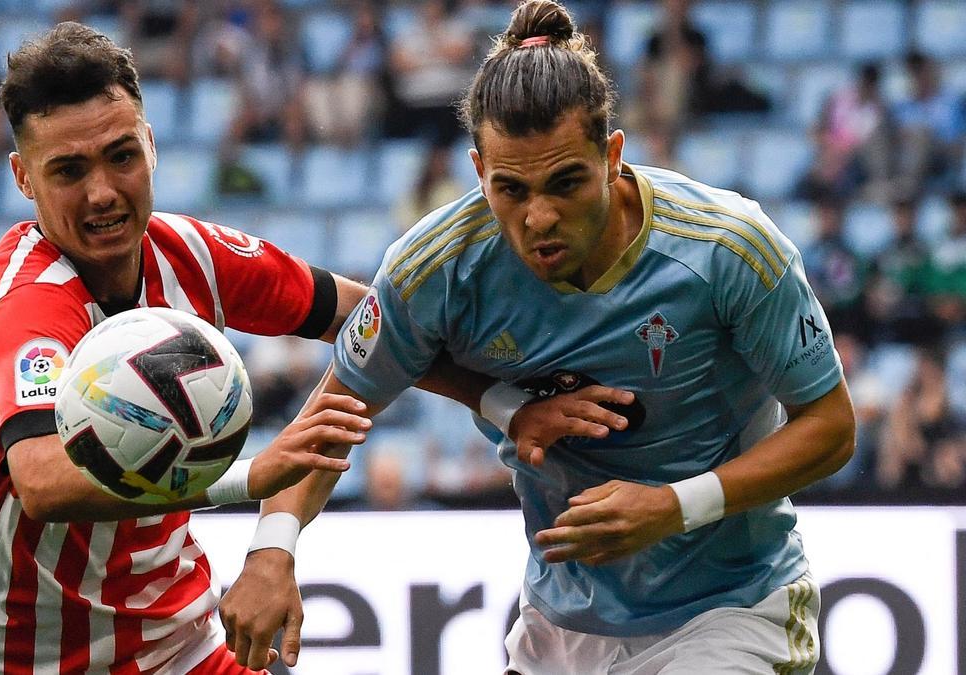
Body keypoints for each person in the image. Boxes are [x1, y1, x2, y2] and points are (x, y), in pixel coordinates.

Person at [219, 2, 856, 673]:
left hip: (730, 609)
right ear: (477, 173)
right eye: (511, 190)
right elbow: (334, 414)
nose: (540, 217)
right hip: (560, 626)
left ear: (611, 156)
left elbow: (832, 427)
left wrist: (674, 507)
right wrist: (272, 547)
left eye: (566, 182)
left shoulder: (728, 249)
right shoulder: (435, 267)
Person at [0, 22, 588, 675]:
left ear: (151, 146)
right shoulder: (27, 302)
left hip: (179, 645)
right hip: (29, 660)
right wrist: (251, 474)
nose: (103, 190)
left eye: (120, 156)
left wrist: (502, 402)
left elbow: (378, 319)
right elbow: (44, 480)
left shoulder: (192, 256)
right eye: (69, 170)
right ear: (23, 178)